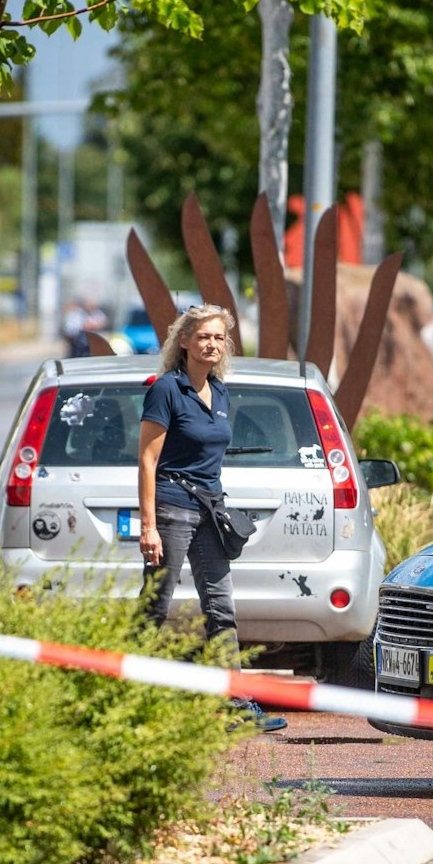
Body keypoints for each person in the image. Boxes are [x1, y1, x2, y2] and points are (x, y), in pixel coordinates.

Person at [137, 303, 284, 731]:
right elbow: (147, 460)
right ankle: (123, 695)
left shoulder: (219, 391)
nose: (212, 344)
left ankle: (237, 705)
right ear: (184, 341)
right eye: (204, 336)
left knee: (221, 607)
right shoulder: (167, 389)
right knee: (155, 605)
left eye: (219, 338)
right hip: (171, 505)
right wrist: (149, 526)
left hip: (209, 511)